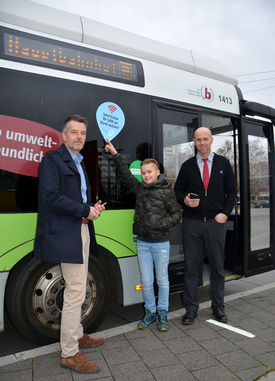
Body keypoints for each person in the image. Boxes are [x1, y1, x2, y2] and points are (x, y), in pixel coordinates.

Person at [34, 115, 105, 374]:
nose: (78, 137)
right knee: (76, 289)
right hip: (66, 232)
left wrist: (90, 209)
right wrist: (84, 208)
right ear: (63, 136)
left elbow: (78, 197)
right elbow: (51, 198)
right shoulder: (52, 159)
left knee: (80, 284)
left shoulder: (79, 161)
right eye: (74, 132)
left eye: (82, 133)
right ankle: (69, 353)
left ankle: (77, 335)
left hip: (82, 228)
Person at [105, 139, 181, 331]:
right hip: (143, 243)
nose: (146, 176)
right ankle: (150, 312)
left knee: (161, 279)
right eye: (144, 173)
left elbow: (177, 215)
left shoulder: (166, 191)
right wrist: (115, 153)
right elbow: (125, 173)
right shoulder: (140, 189)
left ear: (157, 173)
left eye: (149, 172)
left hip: (160, 243)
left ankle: (163, 312)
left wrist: (159, 224)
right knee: (146, 280)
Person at [174, 127, 236, 325]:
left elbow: (232, 191)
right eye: (198, 139)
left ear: (211, 140)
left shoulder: (223, 164)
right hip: (191, 223)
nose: (202, 143)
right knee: (191, 268)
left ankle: (218, 307)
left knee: (218, 267)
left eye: (205, 139)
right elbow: (177, 190)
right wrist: (184, 200)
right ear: (194, 141)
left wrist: (225, 213)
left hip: (215, 224)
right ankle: (191, 309)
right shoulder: (187, 166)